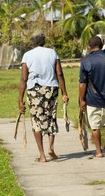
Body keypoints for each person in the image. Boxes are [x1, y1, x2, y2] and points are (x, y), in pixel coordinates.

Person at [18, 30, 69, 162]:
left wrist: (20, 100)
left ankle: (42, 155)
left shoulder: (27, 55)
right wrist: (64, 93)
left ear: (32, 42)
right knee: (51, 117)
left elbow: (24, 78)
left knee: (37, 121)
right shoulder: (52, 53)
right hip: (51, 89)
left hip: (34, 90)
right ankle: (51, 148)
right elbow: (59, 73)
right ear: (44, 41)